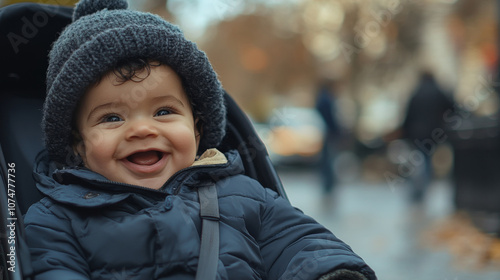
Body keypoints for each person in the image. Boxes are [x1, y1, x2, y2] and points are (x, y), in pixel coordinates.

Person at [23, 1, 377, 279]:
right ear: (78, 145)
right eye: (112, 118)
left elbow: (301, 244)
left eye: (163, 112)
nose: (142, 130)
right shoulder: (57, 220)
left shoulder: (242, 195)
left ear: (196, 128)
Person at [401, 70, 454, 203]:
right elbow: (452, 107)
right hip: (433, 133)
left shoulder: (416, 93)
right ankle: (422, 187)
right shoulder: (438, 91)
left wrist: (405, 132)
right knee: (426, 160)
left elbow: (408, 115)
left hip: (416, 133)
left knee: (418, 159)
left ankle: (418, 187)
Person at [315, 81, 341, 194]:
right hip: (328, 133)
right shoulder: (327, 100)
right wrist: (336, 131)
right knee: (328, 161)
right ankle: (328, 185)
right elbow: (331, 118)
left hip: (323, 133)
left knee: (326, 160)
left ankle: (327, 185)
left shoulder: (321, 99)